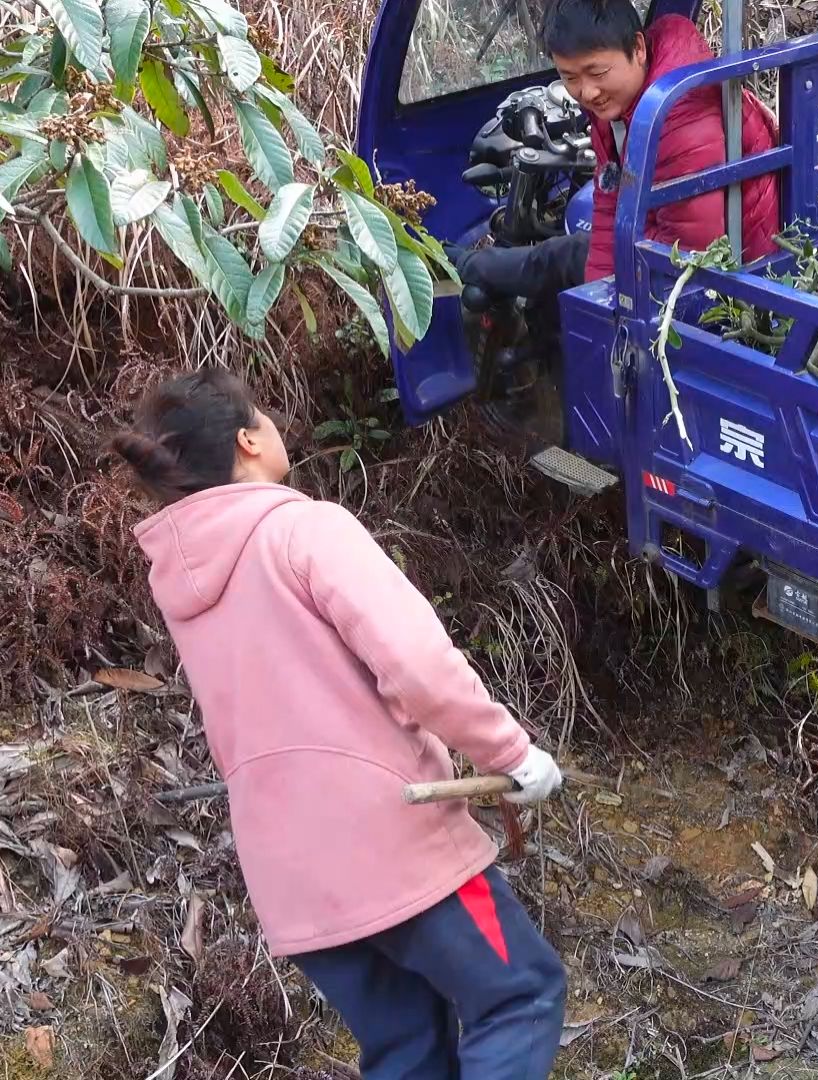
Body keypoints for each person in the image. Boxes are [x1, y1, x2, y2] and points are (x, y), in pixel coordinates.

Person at [111, 368, 569, 1079]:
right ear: (247, 440)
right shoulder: (302, 529)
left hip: (291, 878)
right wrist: (512, 752)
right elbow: (417, 664)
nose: (275, 426)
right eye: (264, 415)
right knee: (521, 995)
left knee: (408, 1050)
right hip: (394, 842)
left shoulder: (178, 576)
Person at [545, 0, 780, 282]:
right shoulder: (617, 105)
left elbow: (690, 254)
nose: (587, 92)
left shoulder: (679, 113)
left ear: (639, 49)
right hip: (666, 245)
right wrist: (598, 293)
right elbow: (611, 202)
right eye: (569, 77)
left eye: (598, 73)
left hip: (739, 279)